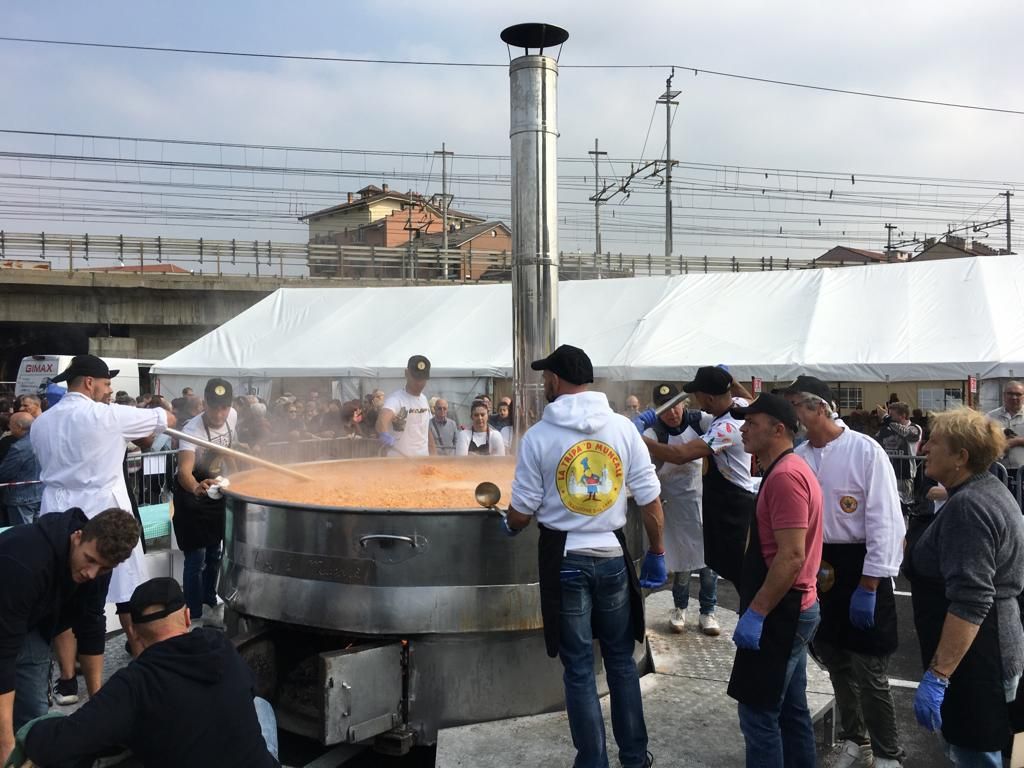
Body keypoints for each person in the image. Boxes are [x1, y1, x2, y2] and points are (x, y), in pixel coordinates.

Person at [502, 344, 665, 768]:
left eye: (545, 378)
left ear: (556, 380)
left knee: (578, 670)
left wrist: (511, 523)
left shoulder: (538, 436)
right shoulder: (624, 430)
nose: (543, 384)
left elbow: (522, 510)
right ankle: (634, 757)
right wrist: (658, 552)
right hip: (612, 555)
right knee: (621, 663)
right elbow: (650, 499)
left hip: (565, 560)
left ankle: (592, 761)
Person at [13, 577, 280, 768]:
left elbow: (63, 741)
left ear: (135, 635)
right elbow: (247, 690)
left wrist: (32, 731)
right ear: (187, 617)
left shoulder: (133, 684)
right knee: (260, 705)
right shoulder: (221, 646)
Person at [30, 354, 173, 703]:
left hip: (55, 517)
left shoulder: (41, 422)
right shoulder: (107, 416)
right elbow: (165, 418)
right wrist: (143, 428)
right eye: (107, 384)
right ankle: (136, 661)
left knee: (61, 598)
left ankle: (66, 681)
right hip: (102, 517)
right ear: (89, 383)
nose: (110, 391)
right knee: (118, 593)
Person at [783, 375, 906, 768]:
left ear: (820, 407)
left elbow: (886, 520)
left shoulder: (864, 450)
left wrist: (870, 584)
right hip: (819, 563)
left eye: (799, 406)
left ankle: (889, 753)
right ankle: (857, 739)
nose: (794, 415)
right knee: (834, 657)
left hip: (860, 564)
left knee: (869, 668)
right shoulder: (799, 458)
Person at [904, 408, 1024, 767]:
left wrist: (939, 676)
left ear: (961, 457)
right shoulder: (986, 490)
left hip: (978, 658)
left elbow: (971, 599)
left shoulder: (969, 507)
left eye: (935, 442)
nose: (924, 448)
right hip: (994, 645)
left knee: (976, 753)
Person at [0, 507, 139, 765]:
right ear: (77, 536)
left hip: (30, 623)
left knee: (33, 715)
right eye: (89, 559)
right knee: (4, 736)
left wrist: (99, 705)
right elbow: (3, 654)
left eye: (103, 568)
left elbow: (91, 625)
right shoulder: (27, 559)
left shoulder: (97, 568)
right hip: (8, 608)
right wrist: (5, 740)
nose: (91, 573)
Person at [728, 394, 823, 768]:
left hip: (782, 612)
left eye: (752, 422)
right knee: (790, 710)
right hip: (790, 608)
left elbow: (791, 556)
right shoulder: (784, 470)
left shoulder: (785, 476)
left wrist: (757, 612)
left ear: (778, 429)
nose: (743, 429)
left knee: (758, 714)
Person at [638, 366, 756, 585]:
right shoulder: (740, 406)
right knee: (729, 566)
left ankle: (752, 614)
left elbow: (681, 454)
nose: (696, 400)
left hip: (734, 504)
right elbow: (751, 399)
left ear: (708, 398)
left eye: (697, 395)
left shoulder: (725, 428)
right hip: (725, 501)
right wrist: (729, 379)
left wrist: (638, 438)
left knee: (739, 571)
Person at [642, 383, 720, 636]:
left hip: (705, 501)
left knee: (710, 565)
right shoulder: (655, 434)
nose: (672, 414)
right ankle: (680, 608)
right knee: (683, 564)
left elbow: (728, 419)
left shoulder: (701, 422)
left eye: (675, 406)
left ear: (684, 403)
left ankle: (708, 611)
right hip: (676, 507)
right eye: (665, 410)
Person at [173, 378, 236, 628]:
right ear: (204, 404)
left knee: (216, 552)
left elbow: (231, 453)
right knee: (196, 558)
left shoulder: (233, 418)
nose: (220, 414)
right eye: (214, 408)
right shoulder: (192, 430)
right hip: (193, 499)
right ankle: (195, 613)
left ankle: (211, 599)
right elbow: (184, 472)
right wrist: (197, 488)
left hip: (217, 493)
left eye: (224, 408)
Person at [377, 356, 434, 457]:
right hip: (399, 463)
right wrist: (384, 433)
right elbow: (383, 418)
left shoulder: (424, 399)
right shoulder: (396, 399)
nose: (419, 383)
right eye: (416, 378)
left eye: (422, 379)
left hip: (423, 462)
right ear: (406, 373)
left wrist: (433, 453)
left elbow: (426, 430)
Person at [874, 401, 923, 515]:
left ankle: (905, 530)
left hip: (904, 473)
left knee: (904, 506)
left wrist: (886, 418)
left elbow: (907, 434)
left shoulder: (914, 428)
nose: (889, 417)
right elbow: (875, 441)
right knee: (886, 504)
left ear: (903, 416)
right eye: (889, 414)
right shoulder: (887, 428)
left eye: (892, 415)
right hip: (886, 472)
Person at [0, 414, 42, 525]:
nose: (9, 427)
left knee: (22, 534)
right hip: (41, 493)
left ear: (18, 426)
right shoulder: (43, 439)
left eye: (11, 425)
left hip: (21, 497)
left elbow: (5, 473)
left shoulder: (19, 447)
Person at [986, 380, 1024, 494]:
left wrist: (1016, 441)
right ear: (1004, 395)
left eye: (1018, 394)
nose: (1014, 397)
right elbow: (981, 440)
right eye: (1010, 393)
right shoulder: (990, 417)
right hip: (998, 472)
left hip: (1022, 471)